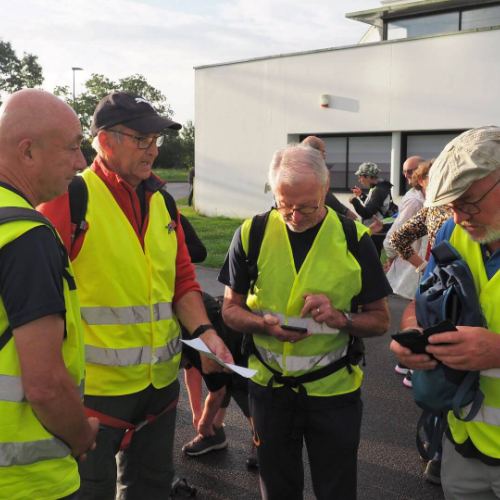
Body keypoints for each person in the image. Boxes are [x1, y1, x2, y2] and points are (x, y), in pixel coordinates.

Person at [39, 91, 233, 500]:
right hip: (94, 395)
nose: (154, 150)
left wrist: (206, 333)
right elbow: (38, 297)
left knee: (150, 489)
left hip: (160, 390)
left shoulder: (163, 201)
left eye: (155, 139)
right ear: (104, 141)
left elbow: (182, 280)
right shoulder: (69, 198)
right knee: (88, 492)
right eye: (142, 139)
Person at [219, 143, 391, 500]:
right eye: (285, 205)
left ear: (325, 188)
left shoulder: (354, 238)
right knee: (277, 489)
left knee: (336, 490)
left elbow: (380, 321)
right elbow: (230, 310)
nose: (295, 217)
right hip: (269, 390)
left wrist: (342, 318)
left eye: (308, 206)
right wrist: (263, 325)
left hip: (334, 393)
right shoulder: (252, 232)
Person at [391, 126, 500, 500]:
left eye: (468, 201)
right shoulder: (452, 232)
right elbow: (418, 305)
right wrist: (413, 335)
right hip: (461, 440)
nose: (458, 215)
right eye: (448, 205)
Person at [0, 89, 99, 500]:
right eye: (73, 148)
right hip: (27, 481)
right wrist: (81, 436)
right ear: (27, 152)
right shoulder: (27, 236)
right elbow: (44, 385)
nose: (81, 162)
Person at [383, 156, 426, 300]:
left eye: (410, 171)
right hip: (414, 267)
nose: (406, 175)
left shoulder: (416, 199)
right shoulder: (414, 196)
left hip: (411, 269)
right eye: (404, 172)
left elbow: (396, 235)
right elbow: (398, 233)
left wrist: (390, 255)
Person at [301, 136, 357, 220]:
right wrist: (344, 210)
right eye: (323, 152)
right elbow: (322, 193)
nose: (324, 157)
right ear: (315, 152)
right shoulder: (310, 169)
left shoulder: (293, 166)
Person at [349, 162, 395, 256]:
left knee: (371, 260)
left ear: (368, 176)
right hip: (375, 231)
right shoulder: (378, 188)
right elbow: (374, 206)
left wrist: (354, 201)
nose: (359, 180)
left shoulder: (379, 191)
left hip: (376, 233)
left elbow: (367, 213)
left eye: (360, 176)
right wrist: (361, 195)